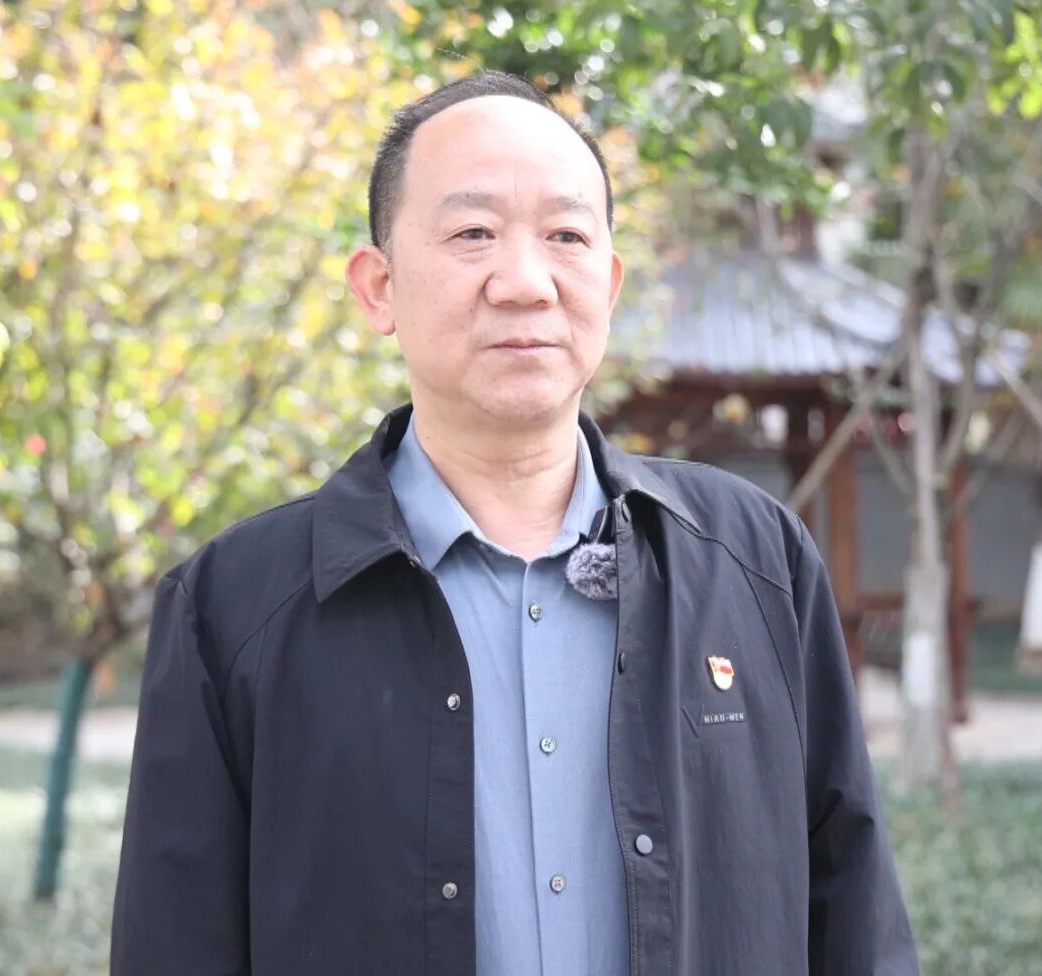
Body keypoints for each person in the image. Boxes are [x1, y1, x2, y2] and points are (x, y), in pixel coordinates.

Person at [111, 70, 919, 976]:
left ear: (609, 283)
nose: (527, 282)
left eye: (566, 236)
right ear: (378, 287)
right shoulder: (231, 608)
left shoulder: (755, 562)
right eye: (474, 234)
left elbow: (853, 912)